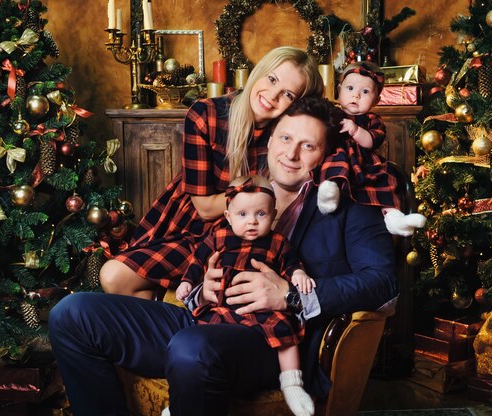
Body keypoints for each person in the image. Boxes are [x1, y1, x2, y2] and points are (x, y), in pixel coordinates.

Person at [49, 96, 397, 416]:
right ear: (272, 139)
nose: (291, 154)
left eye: (308, 146)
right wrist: (204, 288)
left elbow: (382, 281)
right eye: (286, 139)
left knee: (191, 347)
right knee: (73, 313)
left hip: (274, 341)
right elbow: (202, 256)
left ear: (325, 155)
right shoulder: (239, 198)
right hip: (206, 318)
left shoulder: (351, 208)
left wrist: (289, 297)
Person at [98, 46, 323, 300]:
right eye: (271, 79)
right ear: (259, 72)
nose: (272, 95)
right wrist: (266, 186)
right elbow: (204, 207)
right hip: (191, 225)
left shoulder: (286, 132)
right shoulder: (206, 114)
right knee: (113, 276)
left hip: (243, 232)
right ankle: (162, 330)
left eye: (288, 94)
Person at [176, 175, 316, 416]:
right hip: (225, 306)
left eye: (261, 214)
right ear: (228, 216)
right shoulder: (219, 236)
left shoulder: (278, 242)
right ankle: (182, 402)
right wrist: (187, 282)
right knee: (198, 340)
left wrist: (300, 274)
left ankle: (292, 383)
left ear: (273, 215)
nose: (251, 222)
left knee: (285, 329)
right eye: (242, 215)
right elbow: (198, 261)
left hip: (265, 309)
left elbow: (291, 264)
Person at [316, 62, 426, 236]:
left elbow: (371, 141)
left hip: (365, 163)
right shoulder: (333, 112)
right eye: (350, 88)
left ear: (376, 100)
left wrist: (355, 130)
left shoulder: (373, 120)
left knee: (387, 179)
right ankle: (329, 190)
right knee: (335, 160)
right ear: (339, 89)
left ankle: (395, 219)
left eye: (365, 92)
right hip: (339, 156)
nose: (356, 95)